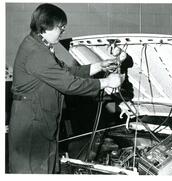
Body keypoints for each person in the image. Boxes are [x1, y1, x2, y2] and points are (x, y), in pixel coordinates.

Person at [8, 3, 124, 174]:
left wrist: (99, 66)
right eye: (60, 27)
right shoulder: (36, 52)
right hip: (32, 124)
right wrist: (106, 83)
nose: (63, 31)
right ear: (46, 26)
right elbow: (68, 83)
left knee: (44, 168)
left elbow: (66, 71)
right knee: (33, 171)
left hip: (38, 118)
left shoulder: (39, 44)